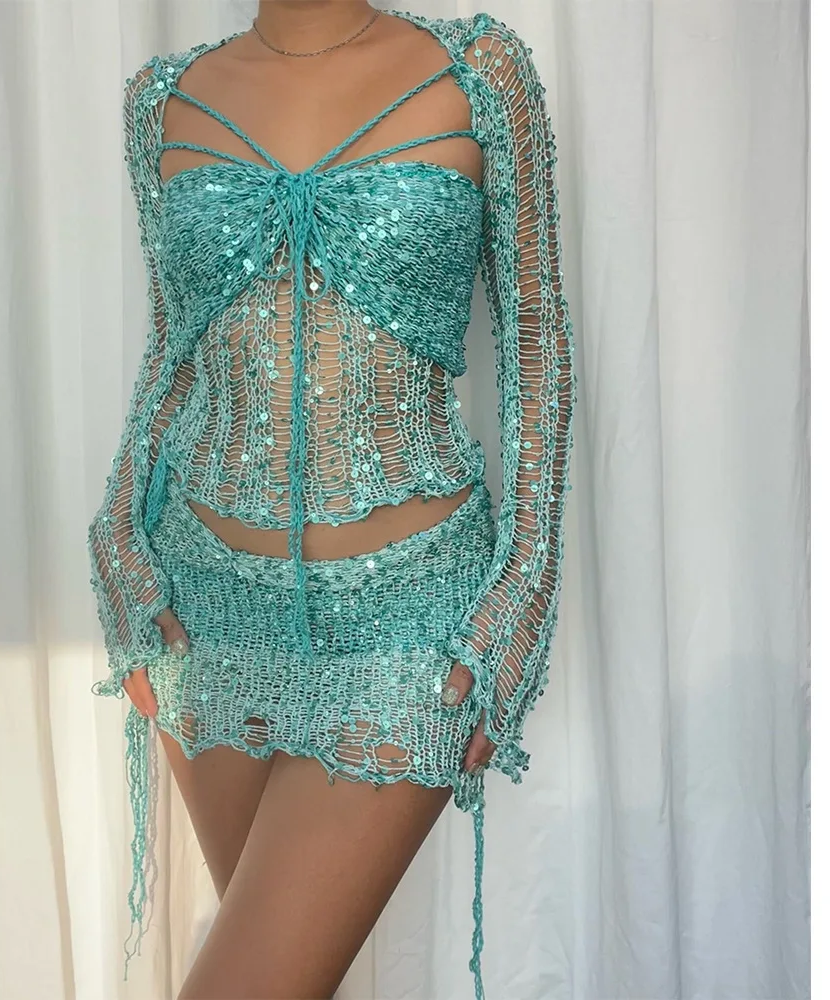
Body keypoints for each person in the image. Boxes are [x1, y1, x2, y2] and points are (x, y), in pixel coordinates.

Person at [86, 3, 576, 998]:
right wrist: (117, 548)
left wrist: (518, 603)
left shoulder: (479, 74)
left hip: (409, 627)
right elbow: (172, 353)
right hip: (201, 620)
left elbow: (536, 347)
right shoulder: (162, 101)